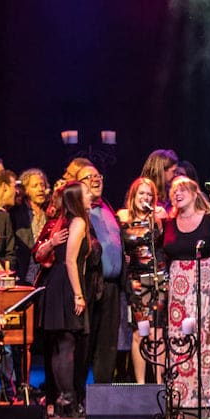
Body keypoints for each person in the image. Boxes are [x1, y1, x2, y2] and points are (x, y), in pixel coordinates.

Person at [36, 182, 100, 418]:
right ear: (76, 199)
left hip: (60, 283)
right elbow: (71, 261)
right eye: (85, 193)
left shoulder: (69, 221)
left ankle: (64, 398)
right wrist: (78, 294)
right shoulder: (78, 222)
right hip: (65, 284)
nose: (90, 195)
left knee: (62, 345)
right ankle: (67, 399)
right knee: (66, 345)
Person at [163, 176, 210, 410]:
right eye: (174, 190)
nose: (178, 193)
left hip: (205, 281)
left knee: (206, 335)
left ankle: (207, 394)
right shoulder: (167, 222)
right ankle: (182, 395)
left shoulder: (209, 221)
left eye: (183, 189)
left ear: (195, 193)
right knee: (180, 336)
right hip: (177, 286)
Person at [80, 165, 127, 390]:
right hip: (90, 286)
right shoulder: (79, 212)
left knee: (107, 344)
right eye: (89, 177)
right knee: (85, 343)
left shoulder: (107, 207)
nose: (96, 180)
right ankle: (76, 396)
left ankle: (103, 395)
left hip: (112, 287)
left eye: (98, 175)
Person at [120, 177, 165, 385]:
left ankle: (158, 384)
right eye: (142, 193)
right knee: (140, 331)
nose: (145, 197)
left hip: (156, 278)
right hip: (136, 280)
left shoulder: (158, 217)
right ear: (133, 195)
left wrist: (159, 219)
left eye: (149, 194)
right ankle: (140, 385)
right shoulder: (123, 217)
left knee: (157, 333)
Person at [10, 168, 50, 284]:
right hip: (24, 272)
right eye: (35, 186)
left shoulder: (49, 212)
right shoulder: (18, 212)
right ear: (25, 190)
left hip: (44, 273)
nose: (40, 189)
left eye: (42, 185)